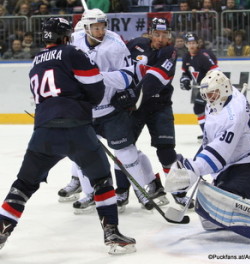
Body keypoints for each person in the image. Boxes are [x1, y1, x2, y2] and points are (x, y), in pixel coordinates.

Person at [0, 17, 136, 255]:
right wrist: (84, 103)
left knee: (23, 185)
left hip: (43, 131)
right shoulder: (72, 52)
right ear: (66, 35)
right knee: (102, 179)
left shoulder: (36, 61)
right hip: (77, 128)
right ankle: (112, 234)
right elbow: (96, 88)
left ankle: (2, 232)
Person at [165, 70, 250, 248]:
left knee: (222, 206)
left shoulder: (234, 114)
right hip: (235, 163)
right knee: (209, 219)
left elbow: (220, 153)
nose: (210, 99)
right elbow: (209, 142)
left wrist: (193, 170)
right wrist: (191, 170)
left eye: (212, 94)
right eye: (206, 95)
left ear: (225, 89)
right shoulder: (217, 100)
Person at [57, 9, 167, 214]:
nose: (100, 31)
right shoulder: (74, 41)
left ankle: (142, 192)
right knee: (83, 155)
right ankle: (90, 194)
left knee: (126, 153)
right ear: (87, 27)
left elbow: (128, 76)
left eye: (103, 26)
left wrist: (95, 76)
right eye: (96, 27)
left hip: (111, 110)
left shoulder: (115, 45)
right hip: (85, 111)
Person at [112, 17, 194, 209]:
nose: (160, 38)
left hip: (159, 107)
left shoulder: (170, 52)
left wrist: (132, 94)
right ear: (150, 33)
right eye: (156, 34)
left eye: (164, 35)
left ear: (169, 35)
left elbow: (156, 78)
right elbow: (115, 52)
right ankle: (122, 192)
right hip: (136, 108)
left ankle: (179, 193)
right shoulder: (137, 44)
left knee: (166, 151)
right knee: (124, 148)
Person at [180, 32, 219, 142]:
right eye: (189, 43)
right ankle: (208, 133)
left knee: (206, 109)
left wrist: (210, 84)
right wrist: (185, 79)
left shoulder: (204, 56)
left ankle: (210, 134)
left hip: (212, 87)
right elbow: (186, 73)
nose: (191, 45)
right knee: (200, 109)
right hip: (203, 89)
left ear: (198, 44)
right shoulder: (186, 57)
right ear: (186, 44)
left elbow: (216, 71)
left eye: (193, 43)